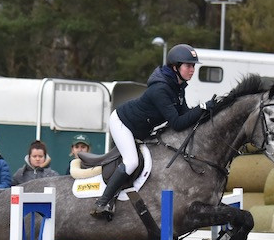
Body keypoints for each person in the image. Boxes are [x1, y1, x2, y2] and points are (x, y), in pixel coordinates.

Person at [90, 43, 214, 219]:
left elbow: (185, 115)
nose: (192, 70)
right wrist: (201, 108)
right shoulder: (161, 88)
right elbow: (177, 123)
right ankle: (102, 203)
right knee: (131, 161)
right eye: (188, 65)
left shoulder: (178, 86)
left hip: (141, 128)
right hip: (123, 123)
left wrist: (206, 112)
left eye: (193, 65)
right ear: (175, 67)